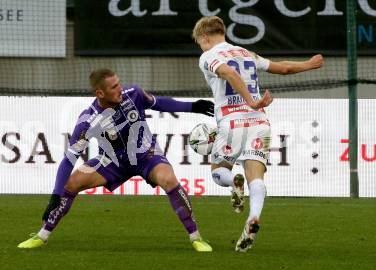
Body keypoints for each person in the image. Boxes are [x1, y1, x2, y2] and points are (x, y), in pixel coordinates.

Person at [18, 68, 215, 252]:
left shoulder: (134, 94)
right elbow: (69, 159)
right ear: (100, 94)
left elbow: (158, 103)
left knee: (169, 180)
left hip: (146, 154)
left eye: (119, 83)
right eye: (113, 87)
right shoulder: (87, 121)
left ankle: (196, 238)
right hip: (111, 161)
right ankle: (42, 235)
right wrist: (55, 194)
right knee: (71, 184)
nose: (120, 88)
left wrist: (193, 106)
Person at [192, 16, 324, 252]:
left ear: (205, 37)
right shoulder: (246, 53)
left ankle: (233, 181)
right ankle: (253, 217)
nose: (200, 46)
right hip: (260, 122)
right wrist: (309, 64)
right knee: (257, 177)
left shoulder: (208, 56)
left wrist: (250, 101)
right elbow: (282, 68)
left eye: (199, 42)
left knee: (219, 171)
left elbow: (229, 74)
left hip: (232, 120)